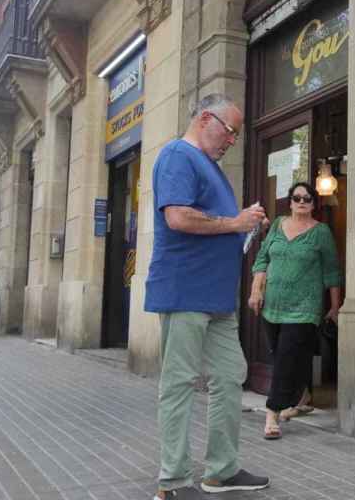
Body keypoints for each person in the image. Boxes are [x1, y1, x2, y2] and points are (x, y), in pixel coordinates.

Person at [145, 94, 270, 499]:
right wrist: (235, 221)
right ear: (204, 119)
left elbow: (219, 228)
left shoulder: (211, 168)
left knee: (230, 376)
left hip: (217, 298)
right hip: (185, 292)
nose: (233, 140)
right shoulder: (178, 155)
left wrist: (246, 228)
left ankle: (221, 470)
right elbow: (178, 216)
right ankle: (174, 482)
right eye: (229, 130)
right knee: (179, 383)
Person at [248, 182, 343, 440]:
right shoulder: (277, 225)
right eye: (297, 198)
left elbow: (332, 271)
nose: (302, 202)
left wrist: (335, 307)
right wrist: (256, 290)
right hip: (273, 305)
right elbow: (262, 259)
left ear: (314, 204)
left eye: (307, 198)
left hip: (304, 307)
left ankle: (272, 412)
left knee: (285, 358)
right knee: (283, 354)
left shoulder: (321, 232)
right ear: (290, 202)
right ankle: (302, 395)